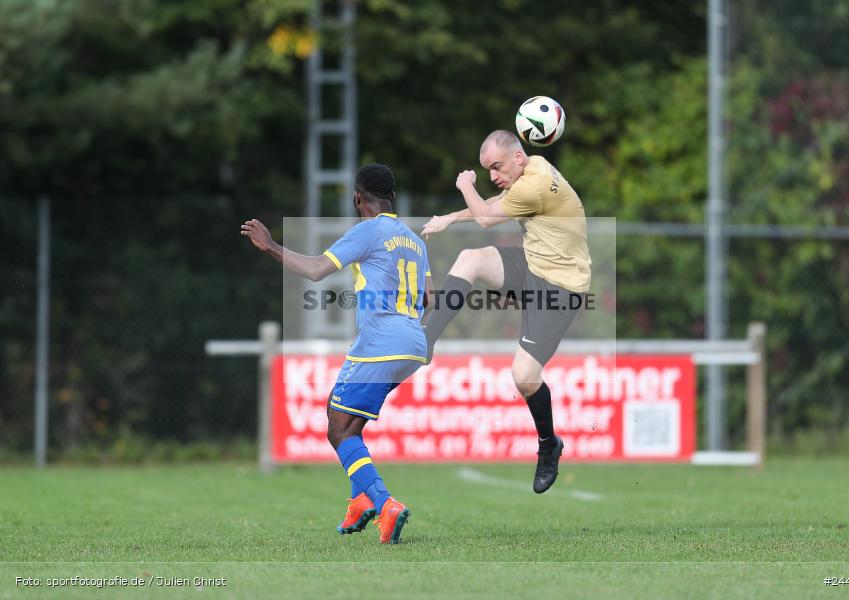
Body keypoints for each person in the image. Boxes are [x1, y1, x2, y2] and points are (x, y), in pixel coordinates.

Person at [241, 164, 431, 544]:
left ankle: (384, 504)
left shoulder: (368, 230)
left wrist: (271, 246)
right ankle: (360, 499)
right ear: (391, 197)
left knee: (338, 428)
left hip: (380, 341)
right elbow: (427, 299)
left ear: (357, 197)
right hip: (414, 342)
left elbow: (315, 270)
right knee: (342, 413)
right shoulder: (414, 240)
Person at [421, 130, 591, 494]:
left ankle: (549, 445)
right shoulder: (534, 167)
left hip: (560, 288)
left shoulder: (536, 184)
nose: (492, 176)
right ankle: (425, 338)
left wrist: (466, 184)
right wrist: (449, 218)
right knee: (471, 259)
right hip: (533, 266)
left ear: (517, 157)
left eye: (496, 167)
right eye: (485, 172)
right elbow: (495, 205)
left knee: (524, 376)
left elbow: (485, 217)